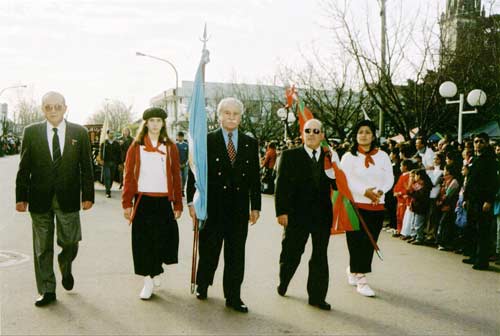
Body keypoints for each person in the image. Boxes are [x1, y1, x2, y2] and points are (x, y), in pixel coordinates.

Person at [15, 91, 95, 307]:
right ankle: (47, 289)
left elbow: (87, 167)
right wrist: (20, 197)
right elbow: (24, 168)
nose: (53, 111)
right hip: (39, 198)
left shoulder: (78, 132)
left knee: (70, 241)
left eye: (57, 106)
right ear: (43, 109)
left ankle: (65, 263)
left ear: (65, 108)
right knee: (42, 248)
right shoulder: (31, 132)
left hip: (68, 198)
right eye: (48, 107)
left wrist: (88, 196)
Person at [187, 97, 261, 313]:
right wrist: (192, 201)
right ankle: (203, 284)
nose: (231, 117)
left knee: (236, 254)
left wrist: (255, 206)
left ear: (240, 117)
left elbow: (254, 179)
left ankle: (233, 295)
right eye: (226, 113)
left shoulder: (250, 143)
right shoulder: (206, 141)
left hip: (238, 209)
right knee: (209, 249)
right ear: (219, 116)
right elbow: (194, 173)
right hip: (213, 207)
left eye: (235, 114)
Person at [274, 119, 336, 311]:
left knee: (319, 256)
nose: (311, 134)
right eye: (307, 130)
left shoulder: (330, 158)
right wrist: (281, 211)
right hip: (296, 216)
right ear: (302, 134)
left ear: (322, 135)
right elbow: (281, 185)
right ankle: (284, 281)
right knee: (292, 253)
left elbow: (337, 184)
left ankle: (317, 297)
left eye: (316, 131)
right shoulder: (289, 155)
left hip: (322, 216)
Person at [122, 107, 183, 300]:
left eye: (159, 120)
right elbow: (129, 175)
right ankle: (148, 281)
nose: (155, 124)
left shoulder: (170, 146)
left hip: (163, 201)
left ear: (163, 123)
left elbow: (176, 175)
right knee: (143, 244)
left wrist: (178, 204)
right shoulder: (136, 146)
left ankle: (156, 270)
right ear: (146, 123)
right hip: (143, 200)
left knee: (162, 242)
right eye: (152, 121)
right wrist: (126, 202)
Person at [340, 120, 394, 297]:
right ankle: (361, 279)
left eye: (368, 132)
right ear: (355, 135)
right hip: (355, 205)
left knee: (370, 242)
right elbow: (345, 180)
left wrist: (379, 191)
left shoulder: (383, 156)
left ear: (373, 135)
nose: (364, 135)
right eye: (360, 132)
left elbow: (389, 178)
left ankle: (354, 269)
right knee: (356, 241)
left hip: (376, 205)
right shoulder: (348, 157)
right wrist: (364, 192)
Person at [462, 133, 498, 270]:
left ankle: (482, 260)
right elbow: (470, 180)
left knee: (483, 231)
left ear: (487, 143)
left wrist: (489, 200)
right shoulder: (476, 159)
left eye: (481, 141)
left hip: (483, 200)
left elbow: (493, 183)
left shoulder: (491, 161)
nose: (478, 144)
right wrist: (466, 198)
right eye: (476, 141)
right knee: (473, 229)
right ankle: (474, 255)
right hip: (473, 199)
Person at [100, 130, 121, 197]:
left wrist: (120, 163)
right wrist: (101, 159)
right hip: (106, 162)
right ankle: (108, 191)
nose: (111, 135)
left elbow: (119, 153)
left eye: (112, 133)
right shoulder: (104, 143)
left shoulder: (116, 143)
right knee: (107, 177)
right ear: (108, 134)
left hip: (114, 163)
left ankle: (109, 187)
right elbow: (101, 152)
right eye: (110, 133)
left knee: (111, 177)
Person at [176, 131, 189, 197]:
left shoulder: (186, 145)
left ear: (183, 137)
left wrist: (186, 163)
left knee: (184, 178)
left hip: (185, 165)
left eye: (181, 136)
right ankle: (180, 191)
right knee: (180, 178)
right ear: (177, 137)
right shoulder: (175, 145)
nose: (180, 138)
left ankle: (183, 189)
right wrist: (178, 164)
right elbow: (174, 156)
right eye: (179, 136)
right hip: (178, 164)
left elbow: (188, 156)